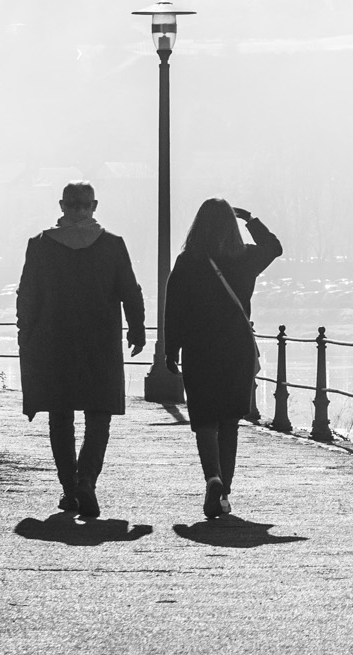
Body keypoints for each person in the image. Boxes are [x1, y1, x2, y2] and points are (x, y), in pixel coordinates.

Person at [16, 183, 147, 519]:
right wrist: (136, 329)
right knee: (98, 416)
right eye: (76, 205)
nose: (76, 210)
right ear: (94, 206)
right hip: (99, 343)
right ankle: (86, 480)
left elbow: (27, 295)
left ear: (63, 205)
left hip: (54, 343)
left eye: (78, 205)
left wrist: (25, 336)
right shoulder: (113, 246)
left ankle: (69, 489)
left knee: (60, 418)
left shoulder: (41, 246)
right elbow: (129, 291)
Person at [163, 198, 283, 518]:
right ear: (231, 226)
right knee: (230, 421)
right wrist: (250, 219)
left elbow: (174, 308)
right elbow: (274, 247)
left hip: (199, 349)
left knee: (204, 420)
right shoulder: (245, 258)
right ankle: (224, 491)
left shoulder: (188, 261)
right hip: (236, 350)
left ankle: (212, 478)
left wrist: (170, 350)